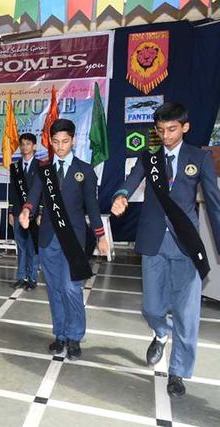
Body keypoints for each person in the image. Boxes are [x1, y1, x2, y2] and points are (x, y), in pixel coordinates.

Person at [111, 102, 220, 397]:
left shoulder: (199, 157)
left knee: (187, 314)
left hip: (186, 244)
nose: (166, 135)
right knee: (152, 308)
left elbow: (213, 201)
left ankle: (178, 373)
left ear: (185, 127)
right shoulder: (149, 157)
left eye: (172, 129)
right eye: (161, 130)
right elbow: (130, 182)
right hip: (153, 241)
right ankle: (161, 331)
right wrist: (121, 196)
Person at [19, 119, 108, 361]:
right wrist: (27, 210)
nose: (60, 147)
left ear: (74, 140)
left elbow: (92, 205)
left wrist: (100, 236)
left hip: (74, 239)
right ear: (50, 141)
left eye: (65, 142)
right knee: (55, 289)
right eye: (56, 142)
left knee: (72, 288)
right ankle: (59, 335)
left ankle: (75, 336)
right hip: (48, 238)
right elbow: (34, 195)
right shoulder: (43, 168)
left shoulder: (85, 171)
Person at [8, 133, 40, 291]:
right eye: (22, 144)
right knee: (20, 245)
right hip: (18, 213)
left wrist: (40, 213)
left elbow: (43, 193)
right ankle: (21, 277)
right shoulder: (14, 167)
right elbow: (13, 191)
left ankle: (32, 277)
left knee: (32, 246)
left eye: (28, 144)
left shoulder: (41, 166)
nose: (25, 147)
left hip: (34, 214)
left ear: (34, 146)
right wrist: (11, 212)